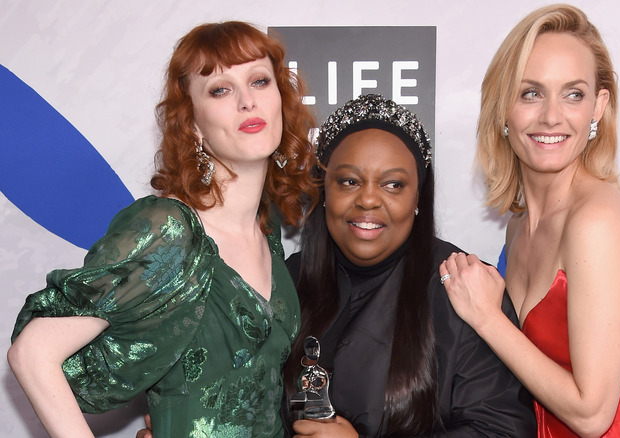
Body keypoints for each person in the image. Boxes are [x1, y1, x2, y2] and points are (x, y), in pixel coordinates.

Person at [8, 21, 317, 437]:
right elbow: (33, 352)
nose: (248, 101)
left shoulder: (267, 233)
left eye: (259, 81)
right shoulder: (170, 231)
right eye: (220, 89)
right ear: (192, 125)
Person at [439, 5, 620, 437]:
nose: (552, 116)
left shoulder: (597, 220)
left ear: (599, 105)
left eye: (573, 94)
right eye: (531, 93)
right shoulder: (519, 224)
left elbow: (592, 415)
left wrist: (487, 318)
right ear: (503, 107)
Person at [284, 94, 536, 437]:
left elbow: (501, 430)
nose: (369, 199)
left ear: (418, 197)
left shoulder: (459, 290)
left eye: (393, 185)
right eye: (349, 181)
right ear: (324, 189)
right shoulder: (288, 281)